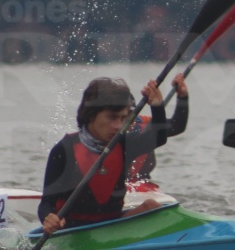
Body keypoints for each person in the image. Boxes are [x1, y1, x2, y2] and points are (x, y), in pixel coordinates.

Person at [39, 77, 168, 235]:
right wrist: (49, 218)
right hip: (75, 230)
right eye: (112, 117)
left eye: (123, 118)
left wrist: (157, 106)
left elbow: (159, 137)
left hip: (113, 224)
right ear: (91, 115)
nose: (119, 126)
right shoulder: (64, 150)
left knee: (151, 206)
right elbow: (45, 204)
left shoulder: (123, 144)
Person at [126, 73, 189, 189]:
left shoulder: (145, 124)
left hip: (143, 185)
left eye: (129, 115)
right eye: (114, 117)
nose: (123, 121)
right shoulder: (102, 135)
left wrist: (182, 97)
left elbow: (177, 126)